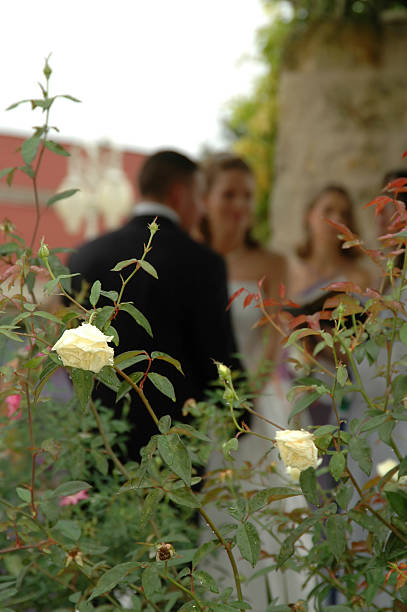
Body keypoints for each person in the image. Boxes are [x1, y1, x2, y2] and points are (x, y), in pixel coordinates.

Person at [197, 154, 315, 610]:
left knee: (259, 507)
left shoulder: (271, 262)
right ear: (205, 199)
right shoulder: (191, 257)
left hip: (257, 402)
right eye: (229, 193)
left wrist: (241, 404)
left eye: (248, 195)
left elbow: (272, 343)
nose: (240, 204)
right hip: (202, 401)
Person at [68, 150, 240, 462]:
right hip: (173, 443)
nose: (201, 209)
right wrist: (239, 418)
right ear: (179, 193)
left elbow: (71, 355)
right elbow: (216, 353)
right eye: (199, 196)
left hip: (101, 440)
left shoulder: (84, 256)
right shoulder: (204, 263)